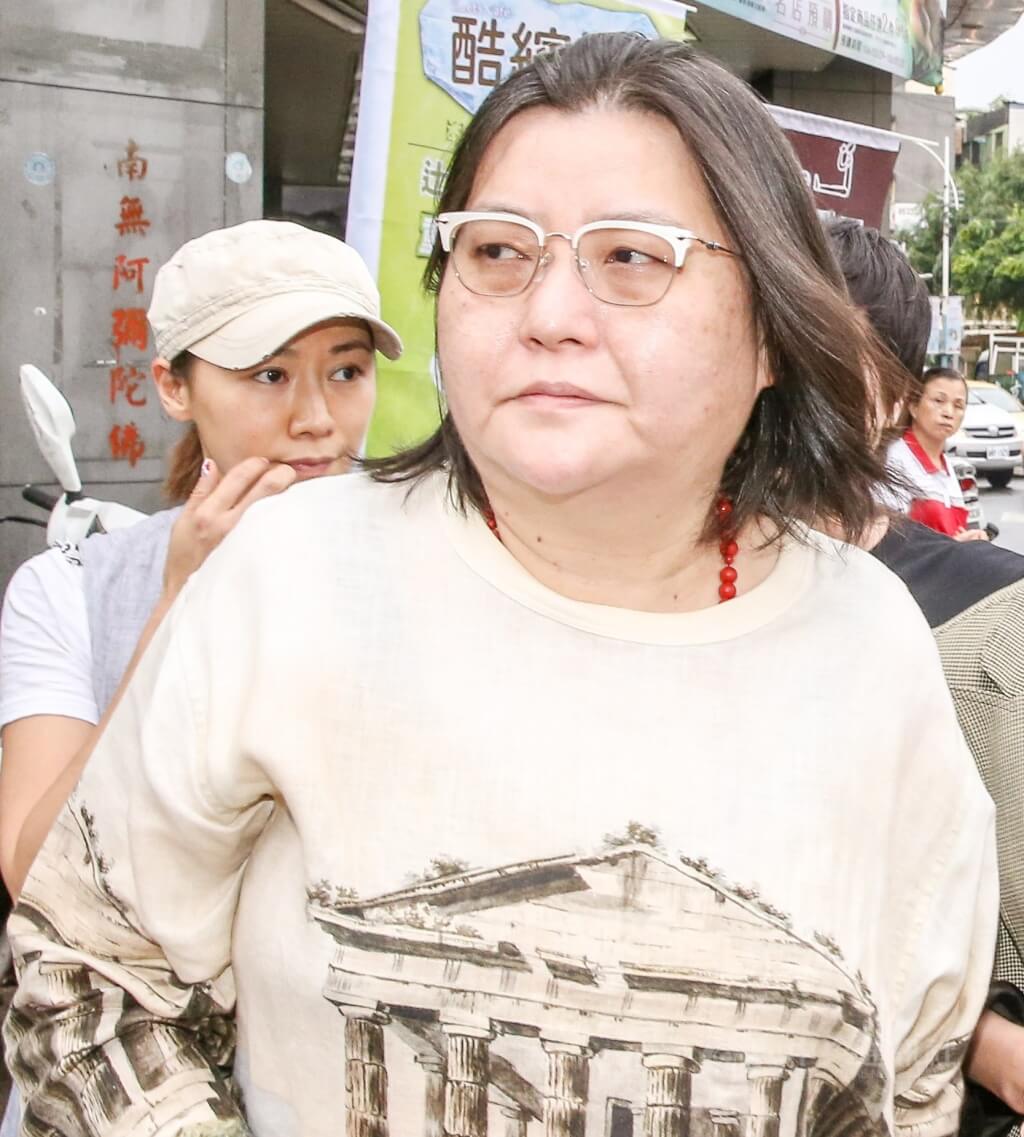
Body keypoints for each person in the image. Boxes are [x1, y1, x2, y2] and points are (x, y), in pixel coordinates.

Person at [5, 34, 994, 1137]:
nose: (549, 312)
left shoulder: (867, 649)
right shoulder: (290, 580)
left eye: (631, 257)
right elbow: (85, 979)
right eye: (497, 250)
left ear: (771, 328)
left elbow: (911, 1077)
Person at [0, 219, 401, 1133]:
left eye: (346, 371)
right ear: (174, 386)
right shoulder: (74, 589)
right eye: (269, 375)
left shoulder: (430, 571)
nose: (317, 417)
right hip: (122, 1083)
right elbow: (34, 866)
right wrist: (179, 599)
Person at [828, 218, 1024, 1130]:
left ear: (892, 396)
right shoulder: (634, 600)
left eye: (833, 351)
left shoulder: (993, 621)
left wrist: (981, 1032)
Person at [885, 366, 984, 539]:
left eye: (958, 405)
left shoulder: (948, 468)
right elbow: (887, 538)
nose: (949, 413)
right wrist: (951, 546)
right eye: (939, 401)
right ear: (914, 407)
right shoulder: (894, 460)